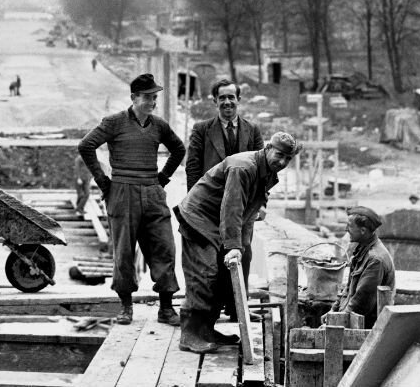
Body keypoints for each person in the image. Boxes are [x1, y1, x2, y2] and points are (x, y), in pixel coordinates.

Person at [175, 132, 301, 353]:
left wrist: (242, 246)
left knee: (228, 271)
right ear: (268, 148)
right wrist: (233, 246)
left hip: (217, 221)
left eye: (287, 159)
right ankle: (190, 334)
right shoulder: (242, 167)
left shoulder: (267, 170)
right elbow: (232, 207)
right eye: (279, 155)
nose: (282, 162)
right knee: (205, 274)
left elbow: (250, 205)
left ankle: (206, 329)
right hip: (199, 218)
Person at [78, 73, 186, 326]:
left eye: (155, 98)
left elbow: (179, 148)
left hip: (152, 191)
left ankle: (166, 308)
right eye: (148, 97)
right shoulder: (114, 122)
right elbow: (86, 146)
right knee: (124, 252)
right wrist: (104, 182)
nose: (153, 102)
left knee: (164, 247)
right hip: (122, 191)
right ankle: (126, 307)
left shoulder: (158, 125)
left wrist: (162, 178)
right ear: (134, 98)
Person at [185, 78, 264, 320]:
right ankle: (212, 308)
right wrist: (197, 202)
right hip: (211, 206)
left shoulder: (252, 131)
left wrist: (262, 204)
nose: (227, 102)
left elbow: (263, 170)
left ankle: (238, 307)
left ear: (239, 100)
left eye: (231, 97)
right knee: (213, 255)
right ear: (214, 101)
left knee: (243, 252)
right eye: (222, 98)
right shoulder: (202, 130)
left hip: (242, 207)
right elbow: (193, 168)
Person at [328, 206, 395, 328]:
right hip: (350, 320)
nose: (346, 229)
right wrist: (333, 311)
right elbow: (347, 290)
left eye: (350, 226)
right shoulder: (361, 250)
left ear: (363, 230)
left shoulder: (375, 259)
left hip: (364, 328)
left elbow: (360, 304)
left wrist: (335, 323)